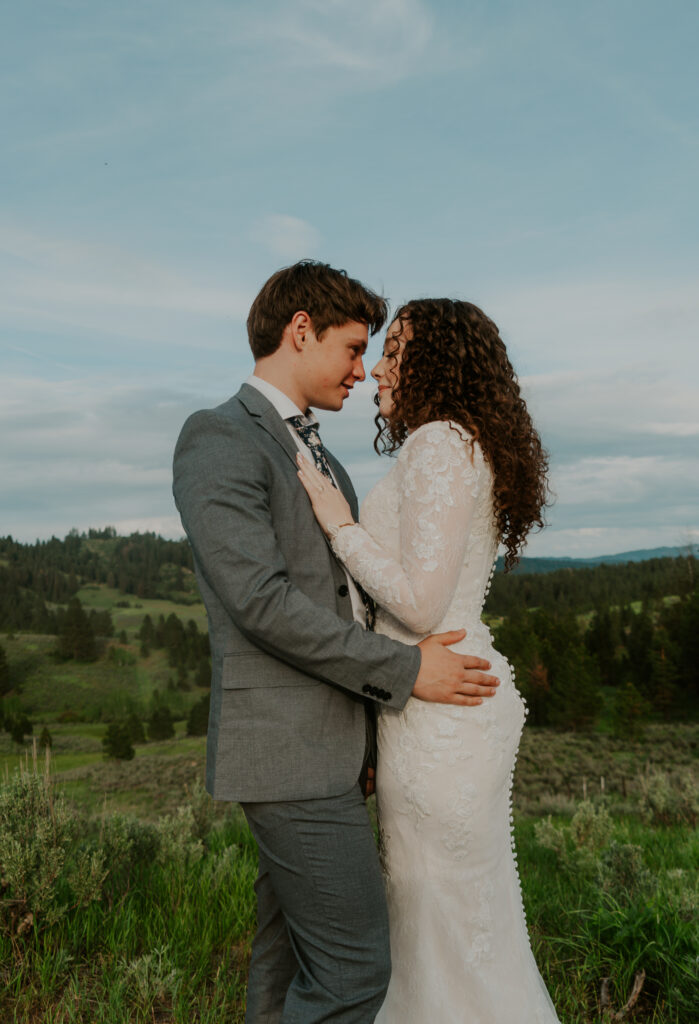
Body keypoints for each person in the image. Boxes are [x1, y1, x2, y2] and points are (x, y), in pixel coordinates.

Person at [172, 263, 500, 1024]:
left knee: (286, 963)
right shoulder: (219, 436)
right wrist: (406, 670)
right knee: (355, 972)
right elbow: (261, 603)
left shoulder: (327, 459)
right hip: (286, 754)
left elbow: (347, 601)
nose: (363, 368)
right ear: (299, 331)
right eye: (353, 348)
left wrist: (368, 741)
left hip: (334, 748)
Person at [297, 297, 561, 1022]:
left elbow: (416, 602)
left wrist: (338, 525)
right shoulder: (465, 441)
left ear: (435, 364)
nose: (378, 366)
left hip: (439, 696)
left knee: (434, 907)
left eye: (395, 351)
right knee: (453, 910)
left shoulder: (439, 442)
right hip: (440, 689)